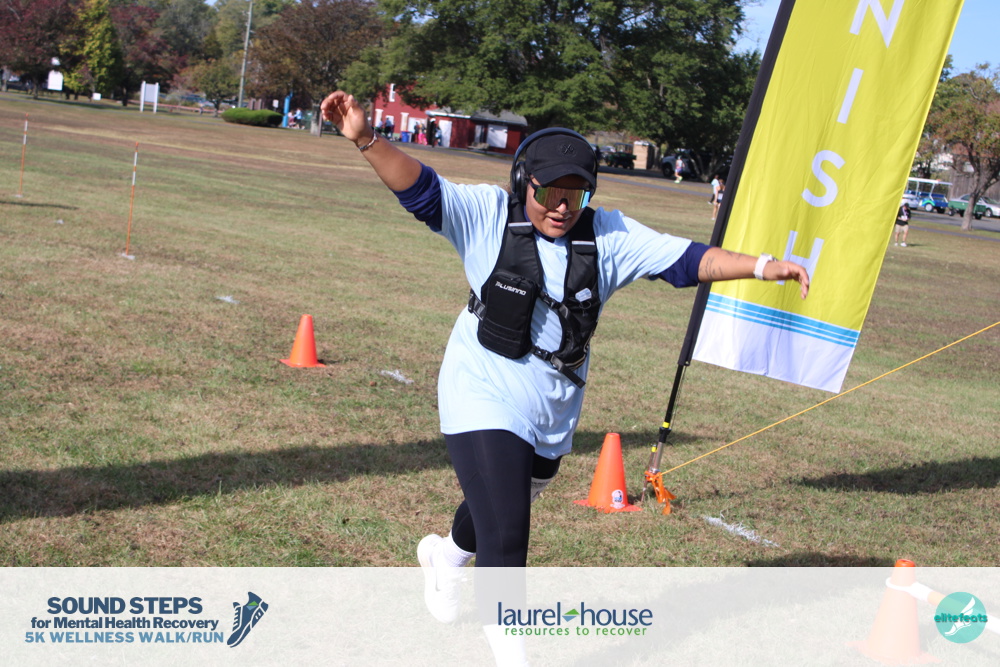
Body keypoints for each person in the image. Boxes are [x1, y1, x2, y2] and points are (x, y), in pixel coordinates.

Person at [320, 89, 809, 635]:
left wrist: (763, 267)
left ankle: (445, 558)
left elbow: (687, 260)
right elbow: (422, 190)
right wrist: (366, 138)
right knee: (508, 531)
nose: (562, 206)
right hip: (481, 385)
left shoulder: (609, 236)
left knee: (505, 498)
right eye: (550, 191)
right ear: (523, 181)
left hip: (553, 405)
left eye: (576, 194)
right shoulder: (487, 215)